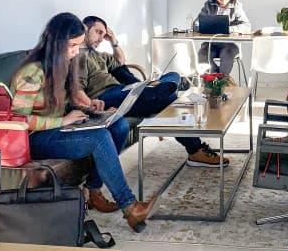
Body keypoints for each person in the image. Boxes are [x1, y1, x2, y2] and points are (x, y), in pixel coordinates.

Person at [10, 12, 154, 230]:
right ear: (57, 43)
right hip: (33, 139)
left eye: (78, 45)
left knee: (118, 125)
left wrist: (90, 105)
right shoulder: (32, 72)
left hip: (57, 128)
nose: (76, 51)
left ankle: (94, 190)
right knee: (99, 137)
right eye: (72, 46)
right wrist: (64, 121)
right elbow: (19, 120)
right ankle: (130, 206)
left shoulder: (62, 64)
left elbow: (73, 94)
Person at [79, 16, 228, 168]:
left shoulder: (99, 55)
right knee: (169, 100)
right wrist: (91, 105)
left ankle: (153, 90)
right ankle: (195, 149)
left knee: (173, 75)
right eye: (98, 32)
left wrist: (113, 41)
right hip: (106, 96)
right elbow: (78, 90)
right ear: (85, 29)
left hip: (124, 91)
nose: (100, 38)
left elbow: (121, 62)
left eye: (103, 35)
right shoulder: (78, 56)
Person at [194, 0, 251, 76]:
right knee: (202, 54)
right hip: (211, 43)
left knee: (227, 54)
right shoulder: (208, 6)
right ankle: (215, 79)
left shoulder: (236, 6)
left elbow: (246, 26)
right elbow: (196, 24)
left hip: (229, 44)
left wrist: (228, 29)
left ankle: (222, 81)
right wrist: (204, 27)